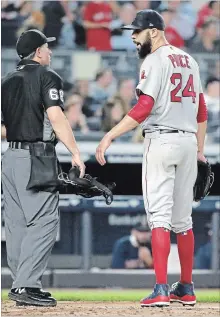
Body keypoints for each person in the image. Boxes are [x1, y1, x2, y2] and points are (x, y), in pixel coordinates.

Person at [96, 9, 207, 307]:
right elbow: (201, 112)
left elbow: (145, 105)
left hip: (161, 139)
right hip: (187, 141)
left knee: (159, 217)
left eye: (138, 30)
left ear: (154, 31)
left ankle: (160, 288)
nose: (132, 36)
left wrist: (110, 135)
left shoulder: (154, 60)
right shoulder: (191, 61)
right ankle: (186, 287)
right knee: (183, 221)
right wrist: (199, 150)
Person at [1, 29, 85, 307]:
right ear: (38, 52)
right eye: (46, 47)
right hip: (36, 156)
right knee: (45, 219)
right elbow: (56, 117)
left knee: (16, 226)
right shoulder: (48, 76)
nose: (49, 51)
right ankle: (25, 285)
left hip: (10, 157)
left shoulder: (7, 80)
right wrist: (75, 152)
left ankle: (22, 284)